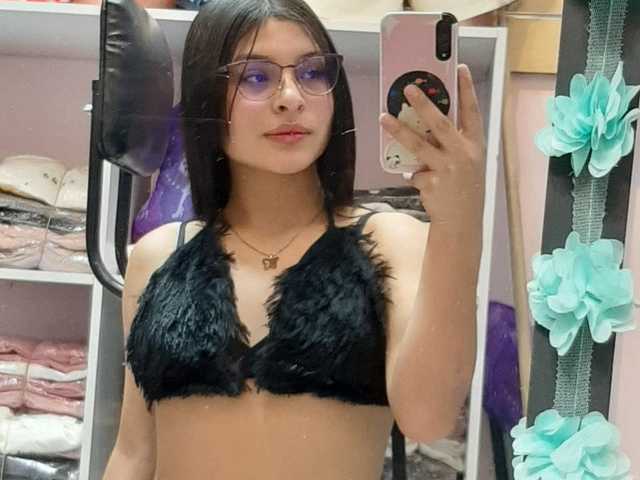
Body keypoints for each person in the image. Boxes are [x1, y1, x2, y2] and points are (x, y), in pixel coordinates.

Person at [102, 0, 486, 478]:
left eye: (312, 73)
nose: (290, 97)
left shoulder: (392, 242)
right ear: (207, 96)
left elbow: (428, 418)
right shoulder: (159, 255)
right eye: (255, 77)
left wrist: (459, 221)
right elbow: (134, 452)